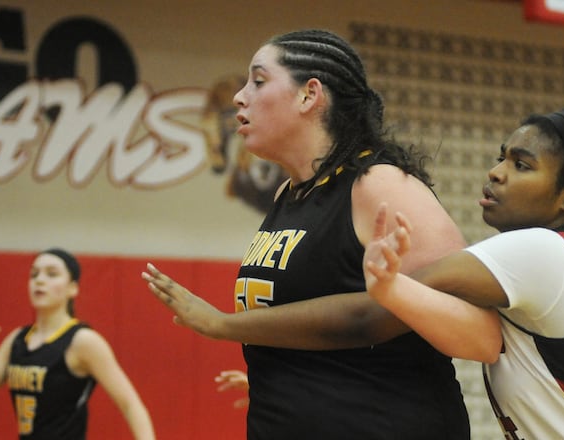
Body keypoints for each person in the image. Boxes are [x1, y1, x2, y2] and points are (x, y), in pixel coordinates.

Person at [142, 29, 500, 440]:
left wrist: (221, 324)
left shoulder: (380, 185)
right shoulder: (288, 194)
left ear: (309, 96)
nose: (240, 96)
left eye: (258, 81)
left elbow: (482, 336)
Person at [362, 105, 564, 439]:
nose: (496, 172)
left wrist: (385, 285)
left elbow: (370, 315)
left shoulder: (539, 252)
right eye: (501, 157)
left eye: (521, 165)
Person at [0, 248, 156, 440]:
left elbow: (131, 405)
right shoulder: (17, 340)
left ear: (72, 288)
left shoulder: (83, 341)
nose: (40, 280)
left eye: (51, 274)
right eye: (34, 274)